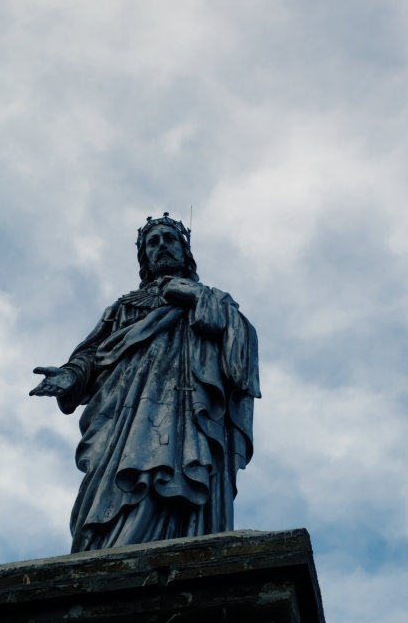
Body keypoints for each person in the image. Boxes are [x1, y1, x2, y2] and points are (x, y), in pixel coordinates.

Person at [30, 213, 260, 552]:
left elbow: (241, 351)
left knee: (179, 473)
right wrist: (70, 376)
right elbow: (92, 355)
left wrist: (198, 299)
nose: (162, 246)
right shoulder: (124, 307)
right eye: (153, 243)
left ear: (185, 251)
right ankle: (111, 550)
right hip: (125, 410)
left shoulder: (213, 298)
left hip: (187, 408)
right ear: (144, 258)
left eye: (169, 240)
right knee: (117, 478)